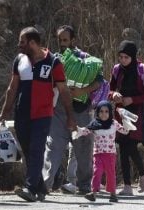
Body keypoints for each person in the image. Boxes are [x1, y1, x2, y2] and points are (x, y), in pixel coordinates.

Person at [0, 26, 76, 202]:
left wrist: (70, 116)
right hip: (22, 113)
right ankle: (40, 187)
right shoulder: (19, 60)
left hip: (43, 114)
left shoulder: (53, 62)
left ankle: (30, 188)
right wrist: (4, 112)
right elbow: (12, 87)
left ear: (32, 43)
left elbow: (64, 91)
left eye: (22, 42)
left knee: (36, 149)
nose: (19, 45)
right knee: (28, 151)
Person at [42, 25, 104, 195]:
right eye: (59, 40)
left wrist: (82, 92)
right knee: (53, 147)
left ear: (73, 40)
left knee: (83, 150)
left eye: (65, 40)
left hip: (81, 112)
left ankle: (84, 186)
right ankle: (44, 185)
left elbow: (100, 80)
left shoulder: (84, 60)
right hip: (59, 111)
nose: (62, 43)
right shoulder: (54, 59)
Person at [109, 40, 144, 195]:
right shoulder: (117, 70)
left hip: (136, 113)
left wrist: (132, 100)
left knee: (130, 145)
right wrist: (114, 94)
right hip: (121, 112)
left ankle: (143, 174)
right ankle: (128, 186)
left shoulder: (142, 69)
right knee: (123, 147)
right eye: (121, 57)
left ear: (133, 57)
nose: (123, 60)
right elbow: (109, 89)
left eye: (126, 57)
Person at [75, 101, 129, 202]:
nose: (104, 114)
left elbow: (125, 131)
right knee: (97, 172)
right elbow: (85, 131)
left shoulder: (114, 124)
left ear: (110, 113)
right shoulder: (94, 124)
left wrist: (125, 120)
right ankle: (93, 193)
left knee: (111, 173)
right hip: (98, 154)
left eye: (106, 111)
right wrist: (78, 130)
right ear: (97, 113)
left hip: (110, 154)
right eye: (101, 111)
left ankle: (113, 194)